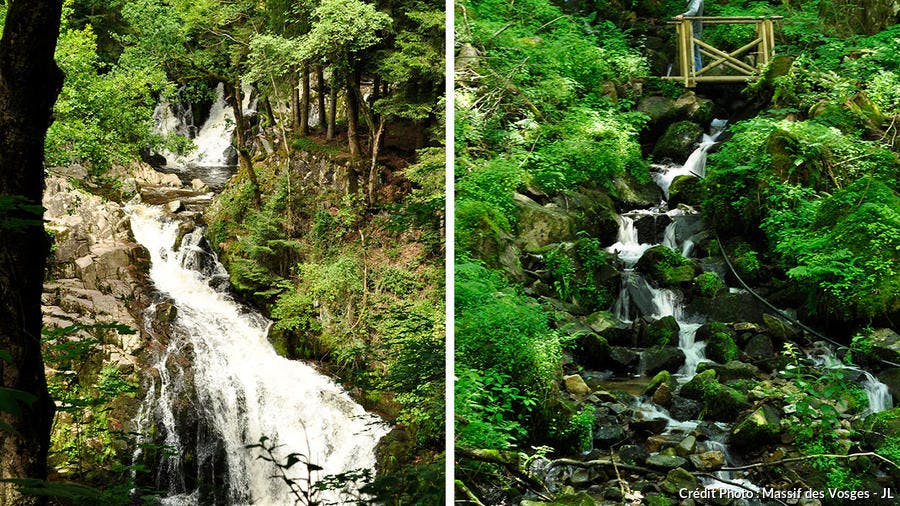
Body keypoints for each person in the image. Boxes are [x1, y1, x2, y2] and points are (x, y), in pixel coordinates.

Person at [675, 0, 703, 74]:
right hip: (693, 28)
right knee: (695, 51)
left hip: (694, 29)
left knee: (690, 50)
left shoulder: (696, 0)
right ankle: (698, 72)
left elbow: (694, 10)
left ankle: (694, 72)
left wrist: (683, 15)